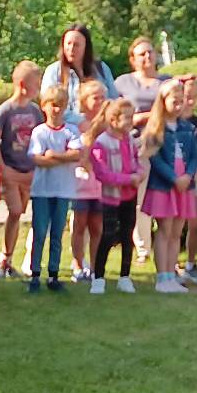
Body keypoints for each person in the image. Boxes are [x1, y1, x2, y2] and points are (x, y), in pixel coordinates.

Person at [140, 79, 197, 294]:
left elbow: (195, 156)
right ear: (163, 101)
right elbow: (155, 160)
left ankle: (172, 274)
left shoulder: (188, 128)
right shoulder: (156, 129)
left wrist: (188, 176)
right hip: (164, 186)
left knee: (177, 232)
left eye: (181, 100)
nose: (179, 104)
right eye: (174, 100)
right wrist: (174, 178)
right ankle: (162, 276)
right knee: (165, 230)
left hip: (184, 185)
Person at [115, 37, 167, 263]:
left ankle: (166, 246)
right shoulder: (123, 83)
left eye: (150, 52)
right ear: (132, 60)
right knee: (141, 199)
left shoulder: (166, 81)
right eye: (142, 54)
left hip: (164, 145)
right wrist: (147, 116)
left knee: (165, 197)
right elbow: (116, 113)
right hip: (136, 146)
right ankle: (143, 248)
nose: (147, 57)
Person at [0, 62, 45, 280]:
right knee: (14, 210)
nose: (39, 88)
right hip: (11, 169)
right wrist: (2, 169)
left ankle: (8, 259)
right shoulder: (5, 110)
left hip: (29, 171)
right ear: (23, 85)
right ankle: (3, 258)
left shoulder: (35, 111)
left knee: (20, 213)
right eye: (36, 84)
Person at [26, 91, 83, 293]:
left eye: (61, 105)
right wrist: (61, 157)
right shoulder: (39, 132)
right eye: (53, 104)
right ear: (44, 106)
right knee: (40, 232)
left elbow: (76, 154)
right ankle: (34, 273)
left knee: (57, 233)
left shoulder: (71, 130)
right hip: (42, 190)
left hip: (63, 189)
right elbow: (36, 158)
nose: (56, 109)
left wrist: (53, 155)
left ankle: (53, 273)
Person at [88, 97, 141, 294]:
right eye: (126, 118)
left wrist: (140, 173)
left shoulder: (129, 139)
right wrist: (128, 179)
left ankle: (125, 276)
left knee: (128, 235)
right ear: (113, 120)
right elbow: (103, 174)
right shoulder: (101, 143)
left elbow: (136, 159)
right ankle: (98, 277)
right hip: (111, 197)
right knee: (108, 235)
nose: (130, 122)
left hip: (130, 195)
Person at [68, 78, 110, 285]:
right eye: (95, 98)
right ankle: (77, 265)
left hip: (101, 184)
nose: (100, 101)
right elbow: (77, 151)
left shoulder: (109, 124)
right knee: (79, 225)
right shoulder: (76, 124)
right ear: (84, 100)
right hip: (81, 183)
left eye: (103, 97)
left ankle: (95, 267)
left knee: (97, 226)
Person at [40, 24, 115, 116]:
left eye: (76, 45)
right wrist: (78, 121)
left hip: (99, 125)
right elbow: (49, 103)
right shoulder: (53, 71)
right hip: (67, 127)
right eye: (68, 43)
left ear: (85, 47)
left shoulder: (101, 69)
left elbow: (113, 100)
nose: (71, 48)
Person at [176, 73, 197, 284]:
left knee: (194, 223)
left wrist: (195, 176)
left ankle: (190, 263)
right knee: (174, 226)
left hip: (193, 179)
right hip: (174, 180)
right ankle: (171, 265)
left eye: (194, 95)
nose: (190, 99)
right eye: (187, 94)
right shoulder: (173, 123)